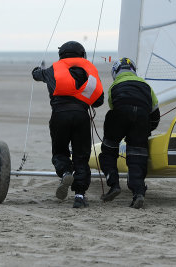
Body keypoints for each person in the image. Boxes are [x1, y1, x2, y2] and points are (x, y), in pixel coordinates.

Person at [32, 41, 104, 208]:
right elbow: (99, 101)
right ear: (82, 54)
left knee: (59, 151)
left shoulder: (53, 70)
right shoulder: (89, 70)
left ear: (62, 55)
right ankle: (79, 195)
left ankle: (65, 172)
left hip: (59, 115)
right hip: (81, 116)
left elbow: (36, 75)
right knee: (81, 156)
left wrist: (36, 71)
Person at [99, 57, 160, 209]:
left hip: (120, 114)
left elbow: (113, 106)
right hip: (142, 118)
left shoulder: (114, 85)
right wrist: (145, 131)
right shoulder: (146, 85)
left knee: (108, 150)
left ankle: (114, 185)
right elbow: (155, 113)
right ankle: (138, 193)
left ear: (115, 72)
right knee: (137, 156)